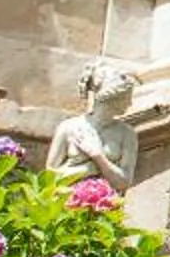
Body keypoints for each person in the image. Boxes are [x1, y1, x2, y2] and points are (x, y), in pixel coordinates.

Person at [47, 60, 139, 189]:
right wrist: (88, 169)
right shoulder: (68, 128)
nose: (129, 104)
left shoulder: (127, 133)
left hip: (105, 205)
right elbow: (49, 179)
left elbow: (124, 182)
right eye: (126, 98)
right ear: (112, 98)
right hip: (66, 202)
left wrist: (98, 156)